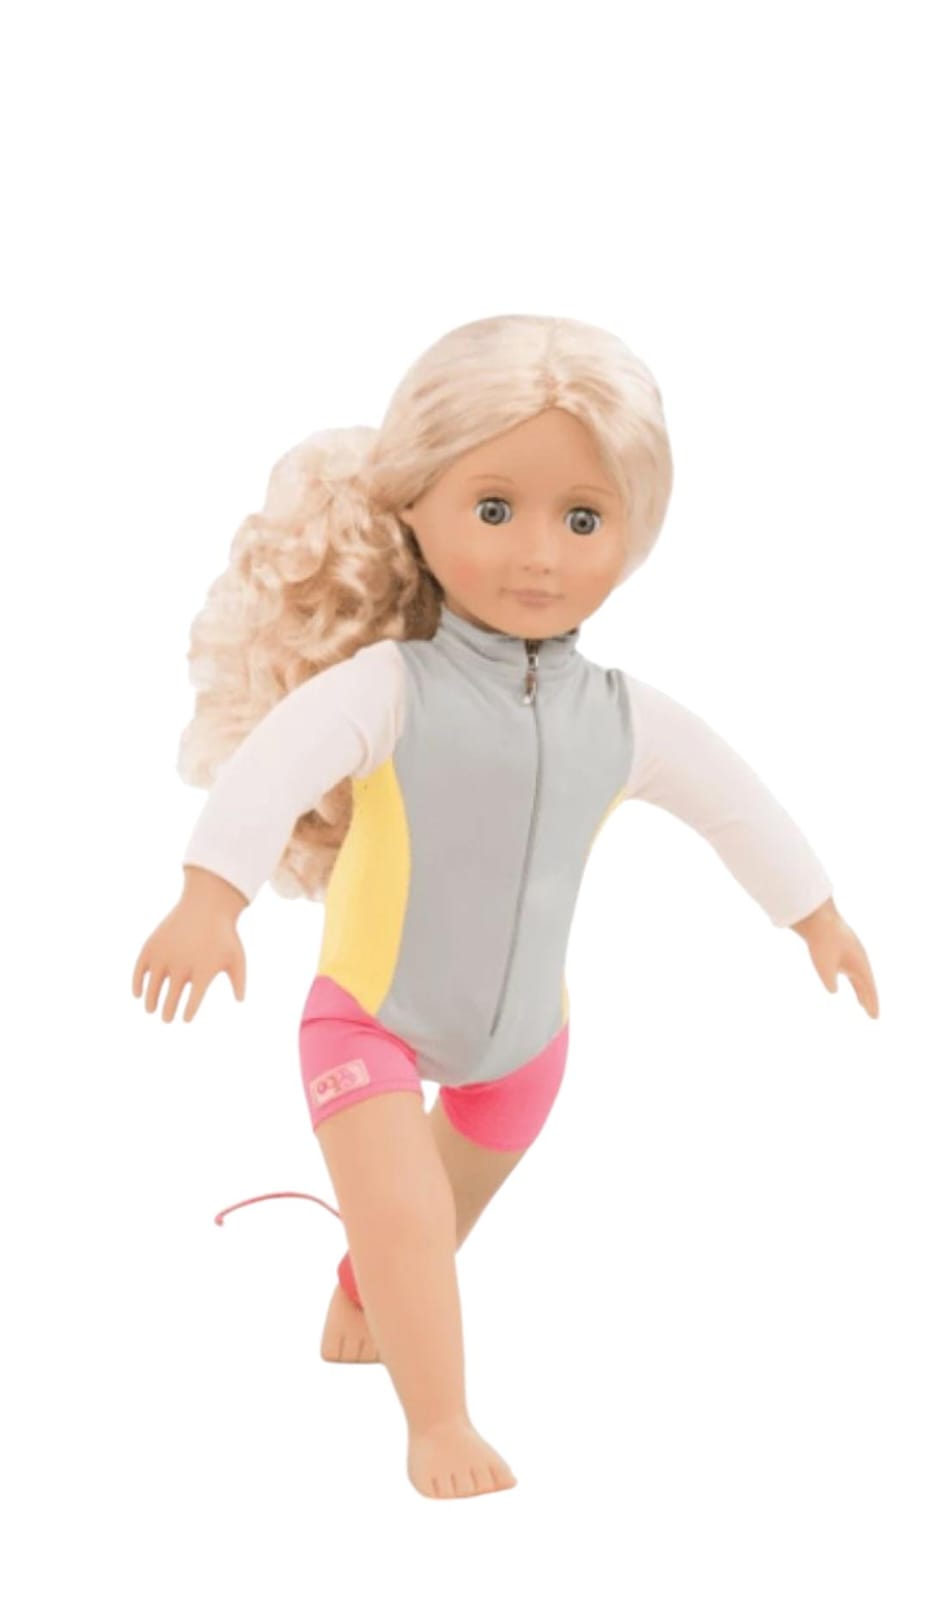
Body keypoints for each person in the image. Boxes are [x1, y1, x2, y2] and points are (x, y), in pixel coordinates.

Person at [131, 313, 880, 1500]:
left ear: (632, 533)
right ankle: (439, 1424)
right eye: (494, 508)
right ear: (416, 505)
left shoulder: (621, 717)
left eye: (582, 519)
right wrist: (208, 895)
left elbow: (735, 801)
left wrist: (815, 913)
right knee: (407, 1219)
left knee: (423, 1227)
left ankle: (361, 1287)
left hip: (529, 1046)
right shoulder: (389, 688)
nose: (539, 554)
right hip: (368, 1020)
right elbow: (272, 767)